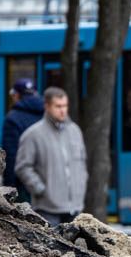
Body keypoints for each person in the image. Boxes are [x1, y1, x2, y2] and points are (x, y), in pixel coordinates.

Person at [14, 86, 88, 226]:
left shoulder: (75, 131)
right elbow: (23, 167)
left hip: (75, 208)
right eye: (58, 106)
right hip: (47, 209)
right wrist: (40, 190)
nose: (62, 110)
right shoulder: (33, 134)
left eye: (65, 106)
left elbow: (82, 164)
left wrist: (81, 187)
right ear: (47, 106)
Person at [1, 79, 45, 189]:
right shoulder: (47, 114)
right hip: (46, 178)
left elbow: (11, 154)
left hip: (23, 181)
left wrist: (9, 184)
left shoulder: (13, 118)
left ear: (16, 96)